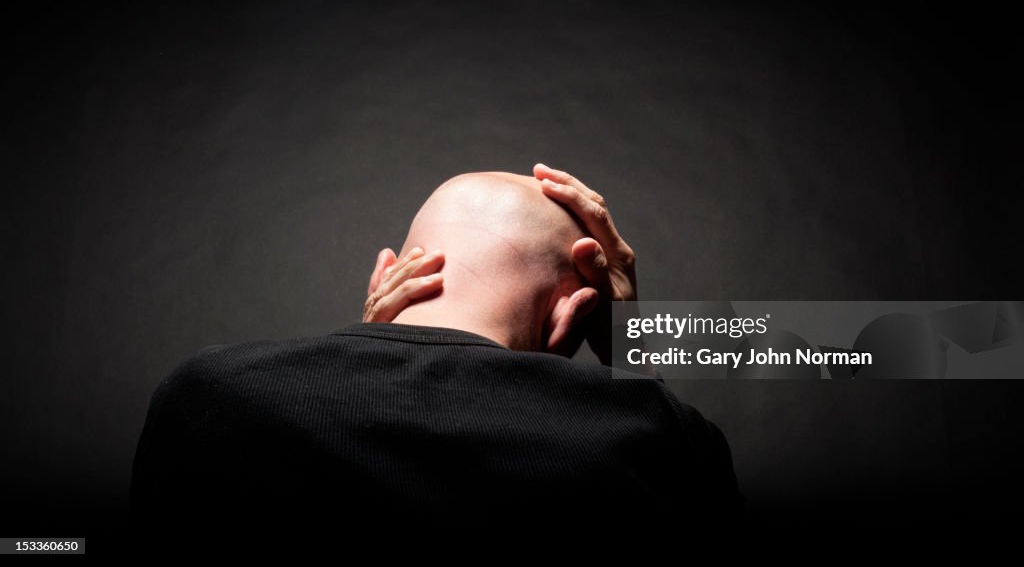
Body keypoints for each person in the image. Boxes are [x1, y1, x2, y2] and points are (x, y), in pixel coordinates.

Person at [130, 164, 739, 529]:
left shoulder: (206, 397)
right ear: (571, 316)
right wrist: (636, 353)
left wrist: (373, 346)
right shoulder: (659, 437)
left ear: (386, 277)